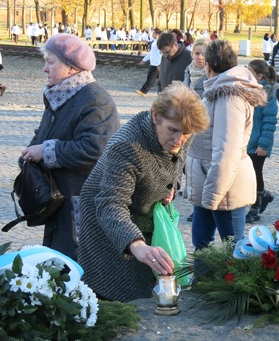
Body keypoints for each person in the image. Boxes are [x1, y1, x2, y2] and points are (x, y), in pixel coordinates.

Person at [78, 82, 209, 301]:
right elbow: (111, 204)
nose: (179, 140)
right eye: (173, 131)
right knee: (120, 289)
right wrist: (136, 244)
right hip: (108, 222)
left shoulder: (183, 128)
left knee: (151, 283)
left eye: (186, 134)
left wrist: (171, 187)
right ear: (156, 116)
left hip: (145, 214)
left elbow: (173, 164)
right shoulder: (127, 146)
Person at [20, 33, 120, 260]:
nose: (45, 68)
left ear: (72, 68)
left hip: (81, 202)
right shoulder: (60, 94)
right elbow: (42, 135)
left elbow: (95, 149)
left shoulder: (95, 99)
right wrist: (29, 155)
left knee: (76, 266)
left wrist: (44, 152)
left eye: (50, 62)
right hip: (59, 199)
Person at [185, 39, 266, 250]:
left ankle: (216, 283)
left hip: (224, 189)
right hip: (209, 185)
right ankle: (201, 283)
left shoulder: (228, 97)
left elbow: (226, 152)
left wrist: (213, 195)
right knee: (202, 245)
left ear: (209, 66)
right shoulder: (219, 91)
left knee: (232, 250)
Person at [245, 59, 278, 223]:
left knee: (256, 175)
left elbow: (270, 121)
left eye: (249, 72)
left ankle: (255, 208)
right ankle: (264, 195)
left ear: (259, 76)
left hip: (258, 143)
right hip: (245, 142)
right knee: (246, 175)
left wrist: (263, 144)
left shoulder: (267, 95)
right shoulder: (246, 90)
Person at [135, 28, 162, 96]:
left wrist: (159, 64)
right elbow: (151, 53)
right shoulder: (154, 42)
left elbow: (160, 54)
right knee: (160, 79)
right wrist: (144, 60)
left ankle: (144, 91)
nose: (152, 35)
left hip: (156, 63)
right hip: (154, 62)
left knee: (151, 78)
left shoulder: (159, 43)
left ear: (157, 34)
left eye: (154, 33)